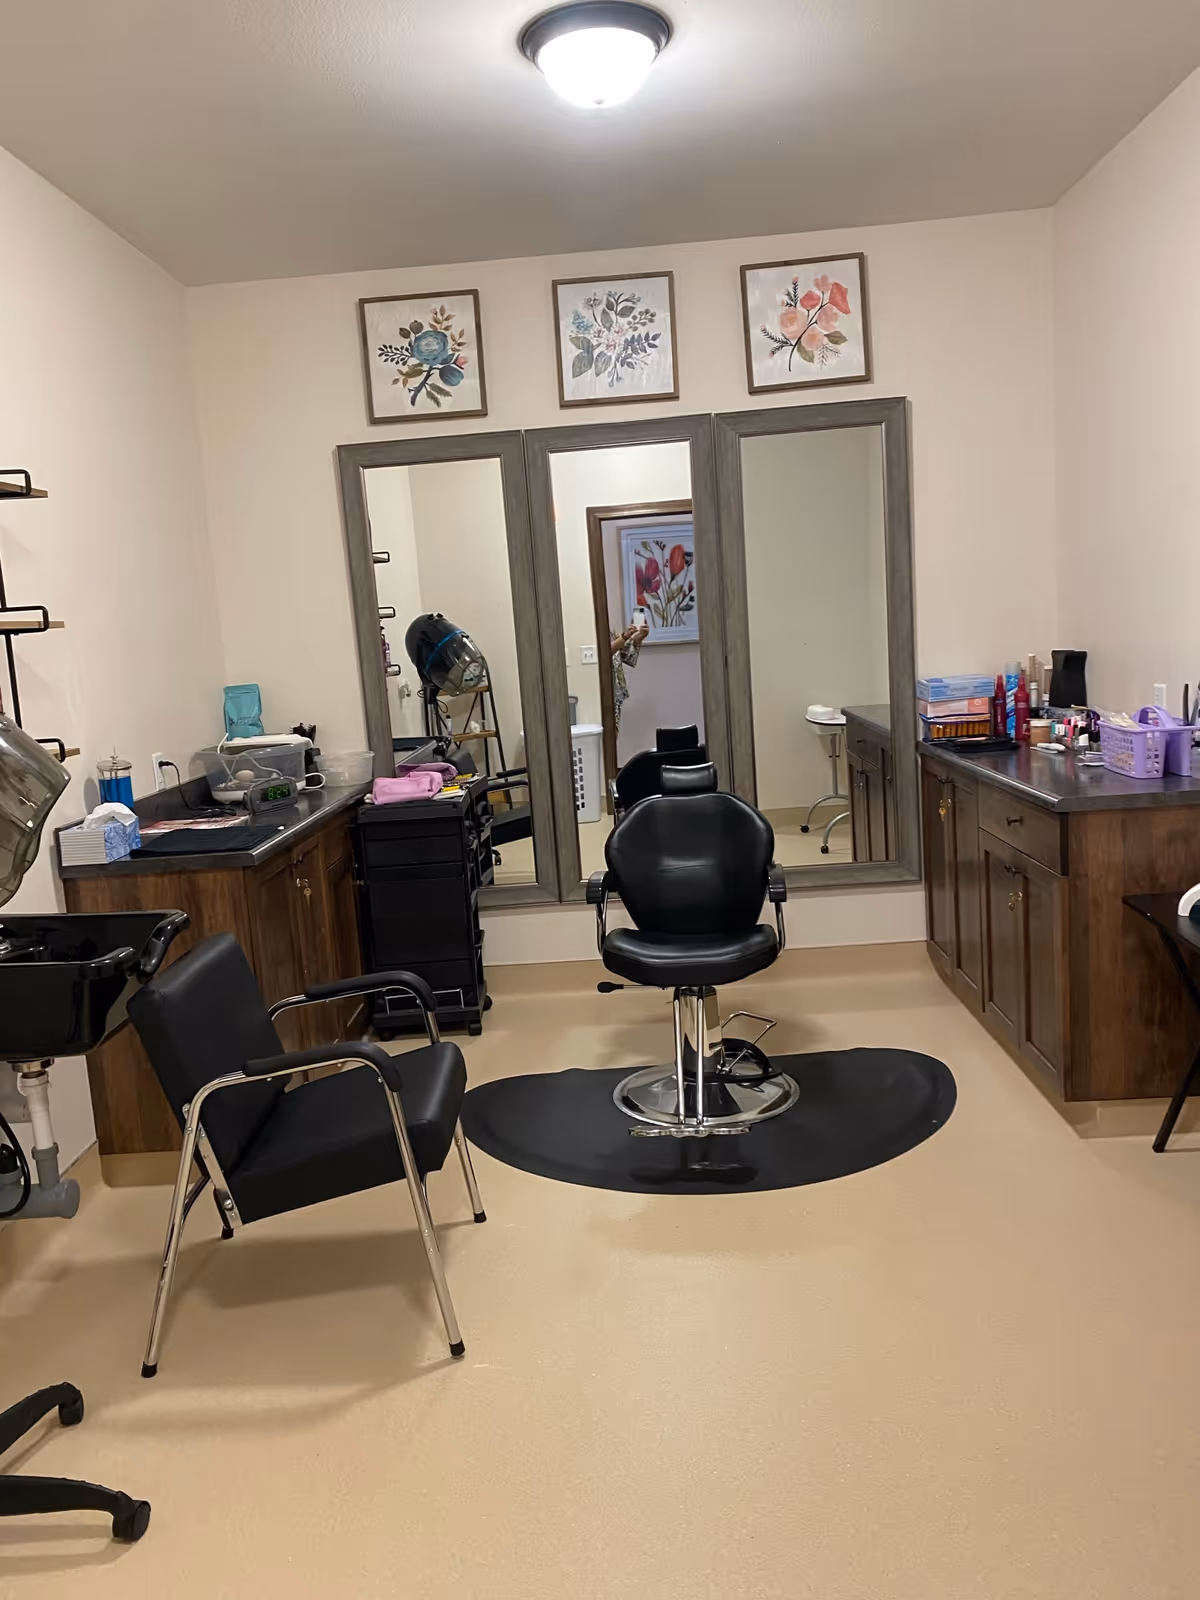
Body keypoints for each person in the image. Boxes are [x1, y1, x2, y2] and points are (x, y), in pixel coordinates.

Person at [610, 620, 649, 733]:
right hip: (604, 690)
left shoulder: (607, 628)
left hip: (615, 692)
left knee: (613, 734)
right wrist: (625, 636)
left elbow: (622, 655)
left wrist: (637, 638)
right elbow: (603, 654)